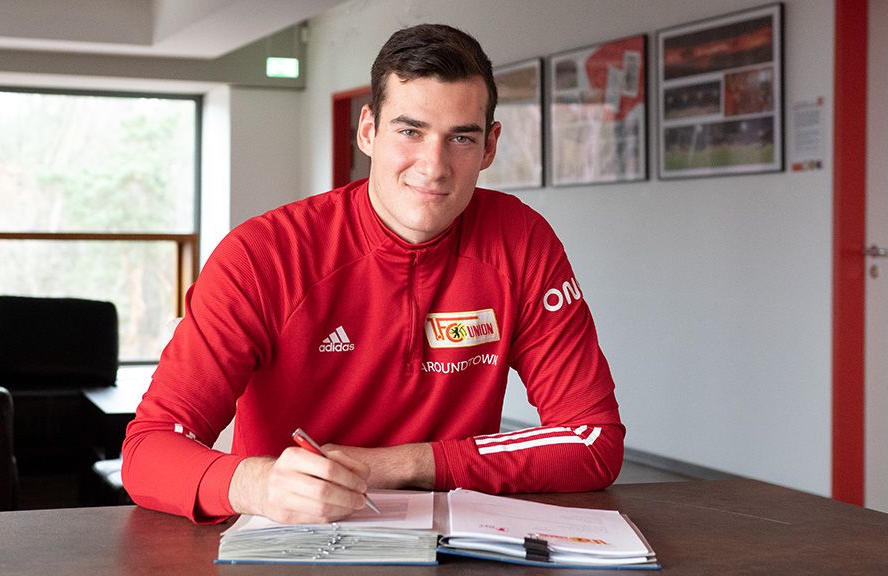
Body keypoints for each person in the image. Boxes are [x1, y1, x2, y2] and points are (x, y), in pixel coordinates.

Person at [122, 23, 624, 525]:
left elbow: (593, 439)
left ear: (489, 146)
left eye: (461, 138)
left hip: (458, 540)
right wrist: (256, 483)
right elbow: (147, 451)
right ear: (368, 131)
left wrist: (402, 463)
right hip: (292, 539)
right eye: (410, 131)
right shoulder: (262, 255)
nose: (434, 166)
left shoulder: (521, 240)